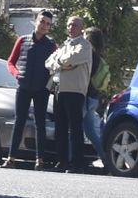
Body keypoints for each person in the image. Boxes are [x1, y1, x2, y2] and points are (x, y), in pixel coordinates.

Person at [7, 9, 56, 168]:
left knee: (40, 124)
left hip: (41, 90)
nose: (44, 26)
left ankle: (39, 160)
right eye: (42, 22)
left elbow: (55, 68)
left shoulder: (51, 45)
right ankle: (11, 158)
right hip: (24, 87)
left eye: (48, 24)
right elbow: (10, 62)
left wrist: (49, 85)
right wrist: (16, 73)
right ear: (35, 21)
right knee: (19, 121)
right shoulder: (22, 40)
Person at [48, 13, 93, 173]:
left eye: (74, 25)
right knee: (60, 128)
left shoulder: (85, 46)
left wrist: (59, 62)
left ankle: (77, 163)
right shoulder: (64, 45)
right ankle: (62, 161)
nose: (71, 28)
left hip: (75, 90)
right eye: (69, 25)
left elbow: (72, 58)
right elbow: (49, 62)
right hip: (59, 89)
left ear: (81, 29)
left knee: (75, 128)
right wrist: (60, 64)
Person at [83, 25, 113, 170]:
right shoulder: (99, 56)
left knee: (73, 129)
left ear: (89, 38)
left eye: (84, 35)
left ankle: (70, 159)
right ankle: (107, 160)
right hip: (94, 97)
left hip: (85, 95)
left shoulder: (90, 55)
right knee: (90, 132)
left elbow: (85, 77)